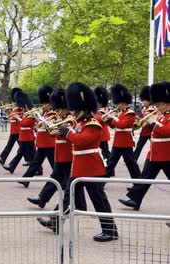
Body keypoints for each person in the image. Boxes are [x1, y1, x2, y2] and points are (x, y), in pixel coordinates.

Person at [37, 82, 118, 242]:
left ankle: (110, 230)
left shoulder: (93, 124)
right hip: (80, 167)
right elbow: (72, 138)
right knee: (68, 196)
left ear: (83, 109)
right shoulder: (81, 123)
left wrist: (67, 132)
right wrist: (61, 131)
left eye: (75, 110)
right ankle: (55, 222)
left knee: (99, 201)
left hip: (92, 168)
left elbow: (81, 140)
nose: (73, 113)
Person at [119, 82, 170, 210]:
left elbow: (166, 132)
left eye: (160, 104)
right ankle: (135, 200)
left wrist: (153, 123)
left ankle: (135, 199)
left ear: (167, 103)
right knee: (145, 178)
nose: (158, 106)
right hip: (154, 154)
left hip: (166, 154)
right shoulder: (162, 116)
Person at [27, 88, 73, 208]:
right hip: (60, 153)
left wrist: (58, 131)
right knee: (55, 177)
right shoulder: (62, 118)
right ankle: (42, 198)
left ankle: (72, 204)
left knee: (71, 183)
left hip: (67, 154)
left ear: (64, 108)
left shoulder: (70, 120)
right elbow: (55, 133)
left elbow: (71, 137)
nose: (57, 112)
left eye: (59, 109)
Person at [105, 84, 141, 180]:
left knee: (131, 165)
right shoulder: (120, 113)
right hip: (117, 142)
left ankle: (138, 183)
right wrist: (108, 120)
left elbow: (122, 125)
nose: (117, 105)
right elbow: (114, 126)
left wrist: (113, 118)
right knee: (110, 163)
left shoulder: (130, 113)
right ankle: (101, 183)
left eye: (118, 103)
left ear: (123, 102)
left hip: (125, 143)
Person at [3, 91, 36, 174]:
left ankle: (12, 166)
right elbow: (13, 118)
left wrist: (18, 118)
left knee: (32, 154)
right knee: (25, 153)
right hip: (24, 136)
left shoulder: (31, 113)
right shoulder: (25, 112)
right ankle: (12, 166)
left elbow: (25, 123)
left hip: (28, 136)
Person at [0, 88, 23, 165]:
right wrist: (7, 111)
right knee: (9, 146)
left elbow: (19, 119)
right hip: (13, 131)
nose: (14, 103)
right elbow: (10, 117)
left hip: (18, 131)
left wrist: (12, 115)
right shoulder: (15, 109)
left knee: (23, 148)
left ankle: (29, 159)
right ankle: (2, 158)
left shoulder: (21, 110)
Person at [134, 86, 155, 160]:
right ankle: (134, 159)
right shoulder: (144, 109)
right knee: (139, 146)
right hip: (144, 131)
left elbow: (152, 120)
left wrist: (143, 117)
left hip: (151, 131)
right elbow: (141, 120)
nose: (142, 102)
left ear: (149, 101)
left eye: (144, 101)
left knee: (154, 146)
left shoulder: (152, 109)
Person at [94, 86, 111, 163]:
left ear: (100, 103)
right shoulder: (97, 111)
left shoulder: (103, 111)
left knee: (105, 154)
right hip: (98, 136)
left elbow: (96, 120)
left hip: (103, 136)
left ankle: (109, 170)